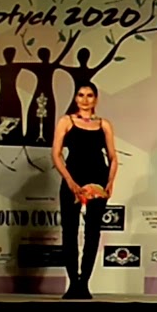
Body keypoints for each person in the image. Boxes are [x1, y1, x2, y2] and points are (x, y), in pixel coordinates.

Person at [51, 83, 117, 300]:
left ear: (96, 99)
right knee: (69, 231)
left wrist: (110, 182)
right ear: (76, 98)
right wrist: (69, 181)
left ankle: (84, 282)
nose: (85, 99)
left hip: (98, 179)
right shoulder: (66, 121)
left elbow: (113, 156)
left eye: (89, 95)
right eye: (81, 95)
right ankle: (73, 282)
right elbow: (56, 153)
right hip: (73, 178)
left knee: (93, 231)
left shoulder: (104, 124)